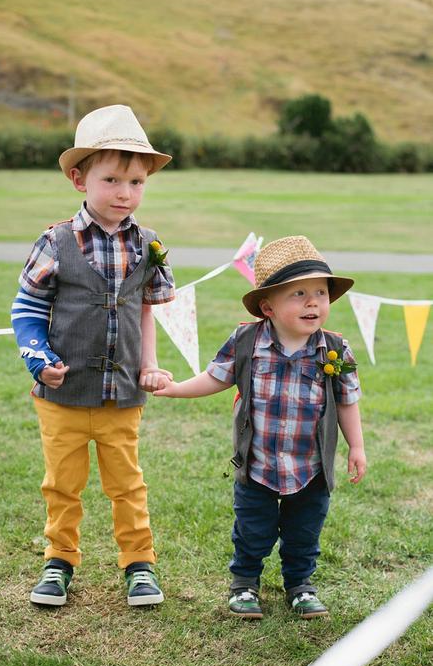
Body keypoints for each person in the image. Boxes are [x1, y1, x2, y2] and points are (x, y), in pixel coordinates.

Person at [11, 104, 175, 608]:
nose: (126, 193)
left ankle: (139, 564)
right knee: (62, 484)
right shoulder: (56, 241)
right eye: (112, 180)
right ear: (80, 179)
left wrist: (148, 363)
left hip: (122, 394)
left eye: (137, 182)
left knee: (127, 483)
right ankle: (58, 561)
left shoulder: (148, 245)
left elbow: (146, 310)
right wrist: (38, 357)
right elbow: (27, 308)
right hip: (62, 395)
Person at [154, 235, 366, 620]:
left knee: (304, 533)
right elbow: (215, 377)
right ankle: (244, 584)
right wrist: (175, 390)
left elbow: (348, 401)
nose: (313, 302)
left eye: (320, 292)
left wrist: (357, 447)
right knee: (253, 531)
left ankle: (300, 585)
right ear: (267, 306)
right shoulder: (246, 341)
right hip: (257, 464)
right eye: (298, 294)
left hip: (311, 467)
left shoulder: (335, 349)